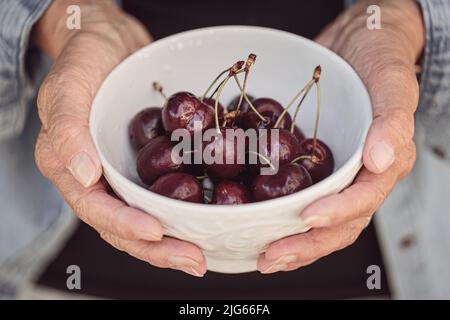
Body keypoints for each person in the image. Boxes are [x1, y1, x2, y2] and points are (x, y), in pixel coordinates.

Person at [0, 0, 449, 299]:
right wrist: (62, 17)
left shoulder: (276, 145)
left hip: (377, 279)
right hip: (69, 276)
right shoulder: (196, 138)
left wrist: (402, 20)